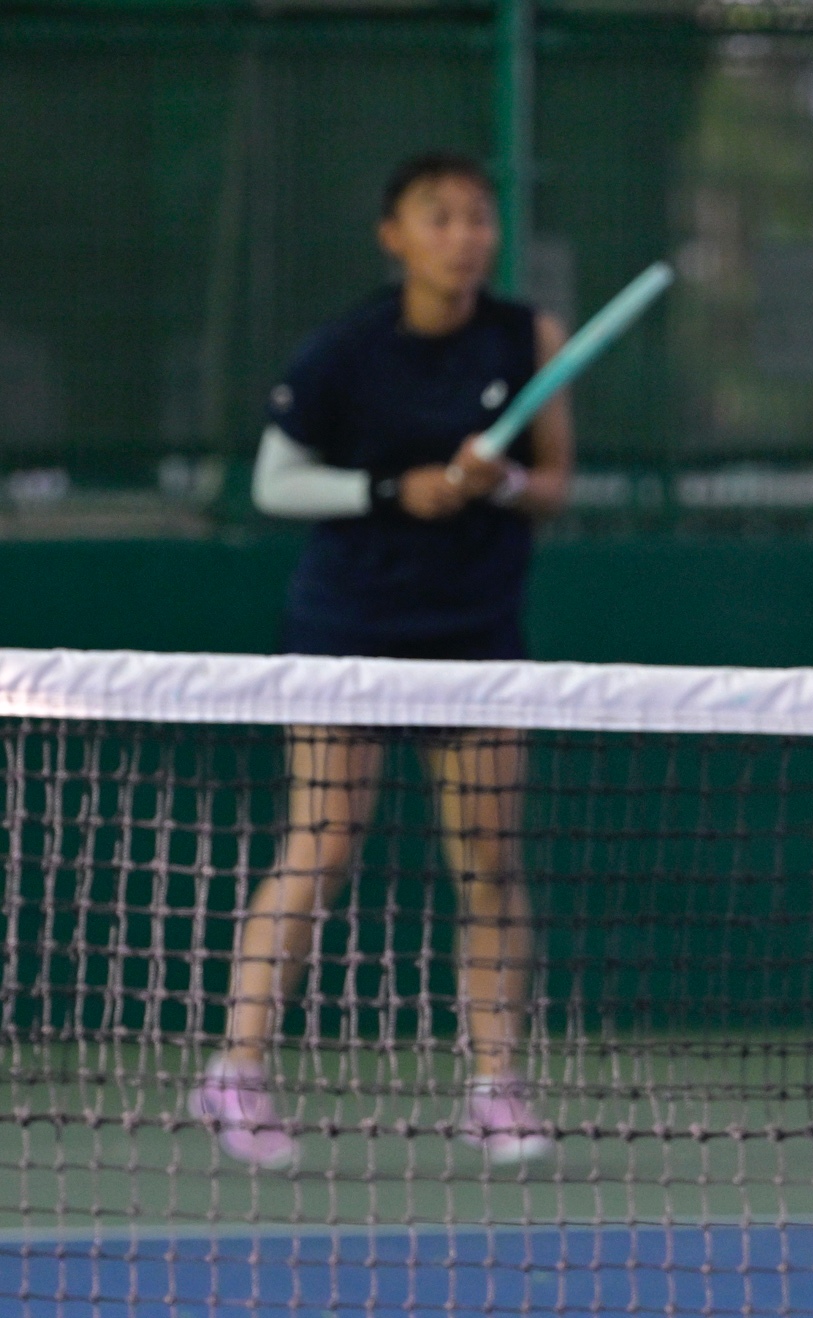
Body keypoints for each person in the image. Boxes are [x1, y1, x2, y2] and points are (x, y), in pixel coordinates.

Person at [188, 151, 572, 1172]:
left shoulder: (527, 338)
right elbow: (275, 483)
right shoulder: (344, 350)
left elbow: (553, 485)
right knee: (319, 846)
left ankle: (495, 1088)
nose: (464, 236)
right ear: (394, 236)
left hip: (475, 636)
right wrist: (399, 490)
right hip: (346, 630)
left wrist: (497, 484)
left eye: (478, 217)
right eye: (439, 217)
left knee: (489, 861)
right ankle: (236, 1070)